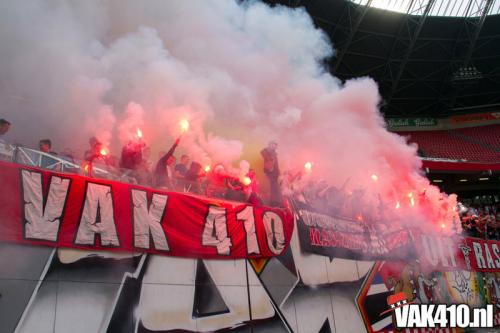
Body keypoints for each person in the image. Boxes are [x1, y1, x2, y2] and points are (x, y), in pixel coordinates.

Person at [260, 141, 282, 206]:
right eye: (274, 145)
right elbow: (263, 153)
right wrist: (269, 159)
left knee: (275, 187)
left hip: (275, 172)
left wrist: (278, 171)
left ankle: (275, 202)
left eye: (276, 145)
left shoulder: (274, 153)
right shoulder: (266, 151)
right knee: (272, 187)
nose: (276, 146)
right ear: (270, 145)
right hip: (270, 172)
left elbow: (276, 164)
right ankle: (273, 202)